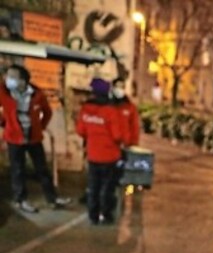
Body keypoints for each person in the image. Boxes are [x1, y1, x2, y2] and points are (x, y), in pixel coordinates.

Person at [0, 64, 71, 212]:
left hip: (33, 137)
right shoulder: (3, 92)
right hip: (14, 138)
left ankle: (52, 198)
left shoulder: (36, 94)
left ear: (23, 80)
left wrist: (40, 126)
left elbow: (47, 112)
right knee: (18, 170)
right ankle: (21, 199)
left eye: (12, 77)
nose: (8, 79)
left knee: (42, 169)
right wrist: (4, 123)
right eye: (7, 76)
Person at [76, 78, 123, 225]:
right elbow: (117, 135)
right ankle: (106, 214)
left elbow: (80, 130)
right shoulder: (111, 111)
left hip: (92, 155)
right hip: (109, 156)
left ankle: (93, 215)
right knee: (107, 188)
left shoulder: (85, 109)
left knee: (93, 186)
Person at [111, 77, 140, 147]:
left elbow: (134, 126)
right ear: (113, 88)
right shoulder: (107, 105)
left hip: (125, 144)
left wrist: (134, 143)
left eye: (122, 87)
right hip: (110, 144)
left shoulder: (130, 107)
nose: (119, 89)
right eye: (117, 87)